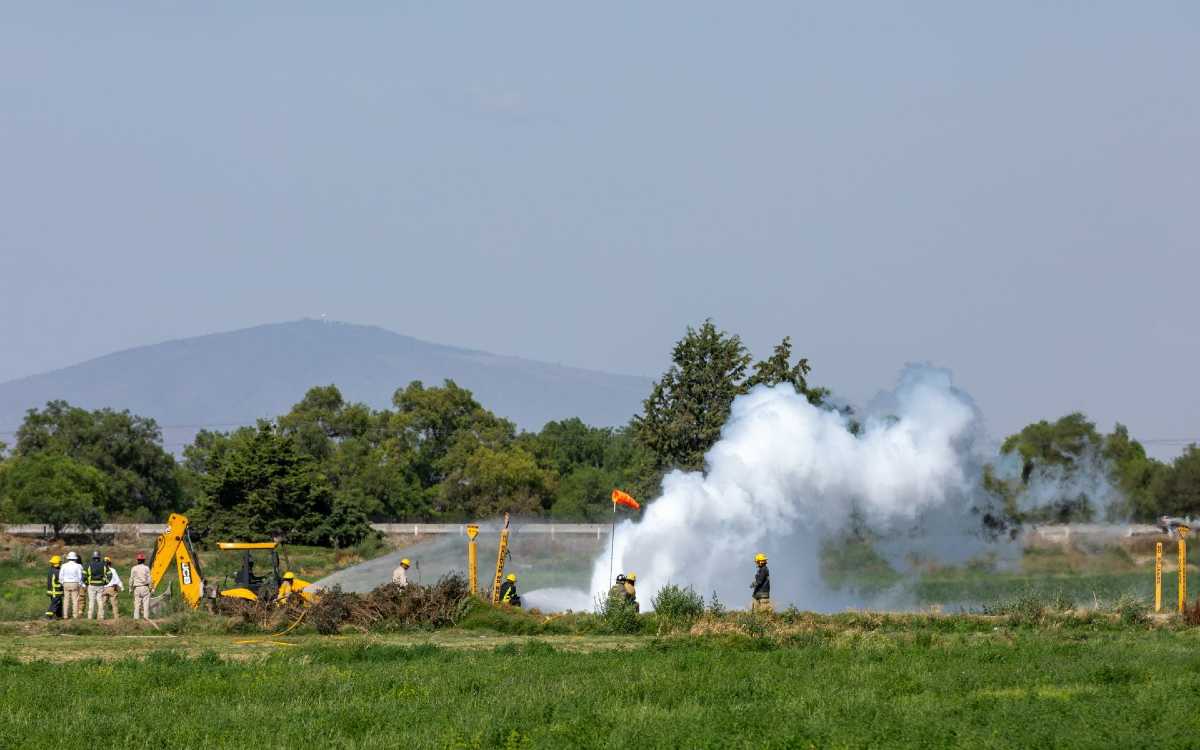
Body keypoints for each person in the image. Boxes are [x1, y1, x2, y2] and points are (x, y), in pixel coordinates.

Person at [59, 551, 83, 619]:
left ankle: (65, 615)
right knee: (75, 600)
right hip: (75, 583)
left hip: (66, 583)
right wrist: (79, 584)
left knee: (66, 600)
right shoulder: (78, 566)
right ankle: (75, 615)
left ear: (68, 558)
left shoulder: (64, 565)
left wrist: (62, 583)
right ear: (75, 558)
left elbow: (60, 576)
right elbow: (80, 576)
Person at [85, 550, 108, 620]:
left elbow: (84, 575)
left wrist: (86, 583)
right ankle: (101, 616)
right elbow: (109, 574)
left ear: (93, 557)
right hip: (100, 585)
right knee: (100, 601)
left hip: (91, 585)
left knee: (91, 601)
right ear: (99, 557)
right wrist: (105, 582)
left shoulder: (89, 565)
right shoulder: (103, 565)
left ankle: (90, 617)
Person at [129, 552, 152, 620]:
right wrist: (150, 587)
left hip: (137, 588)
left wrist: (130, 588)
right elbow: (149, 579)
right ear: (144, 560)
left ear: (137, 560)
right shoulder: (146, 568)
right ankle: (146, 617)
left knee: (137, 604)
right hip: (145, 587)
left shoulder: (134, 568)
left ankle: (136, 618)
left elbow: (131, 579)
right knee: (146, 603)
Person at [45, 555, 64, 619]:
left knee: (59, 603)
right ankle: (49, 615)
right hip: (56, 591)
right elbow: (60, 581)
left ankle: (59, 615)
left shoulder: (50, 570)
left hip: (51, 590)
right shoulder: (57, 571)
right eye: (60, 563)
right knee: (55, 603)